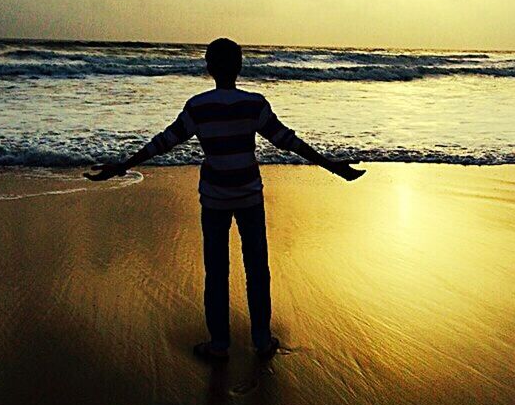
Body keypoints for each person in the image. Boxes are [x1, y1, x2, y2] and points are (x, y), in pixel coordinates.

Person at [84, 38, 365, 361]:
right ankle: (261, 339)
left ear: (208, 68)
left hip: (214, 200)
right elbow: (288, 142)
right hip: (249, 197)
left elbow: (164, 142)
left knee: (216, 271)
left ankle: (219, 344)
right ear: (240, 67)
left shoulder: (198, 106)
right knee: (257, 269)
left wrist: (123, 166)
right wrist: (331, 166)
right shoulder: (254, 104)